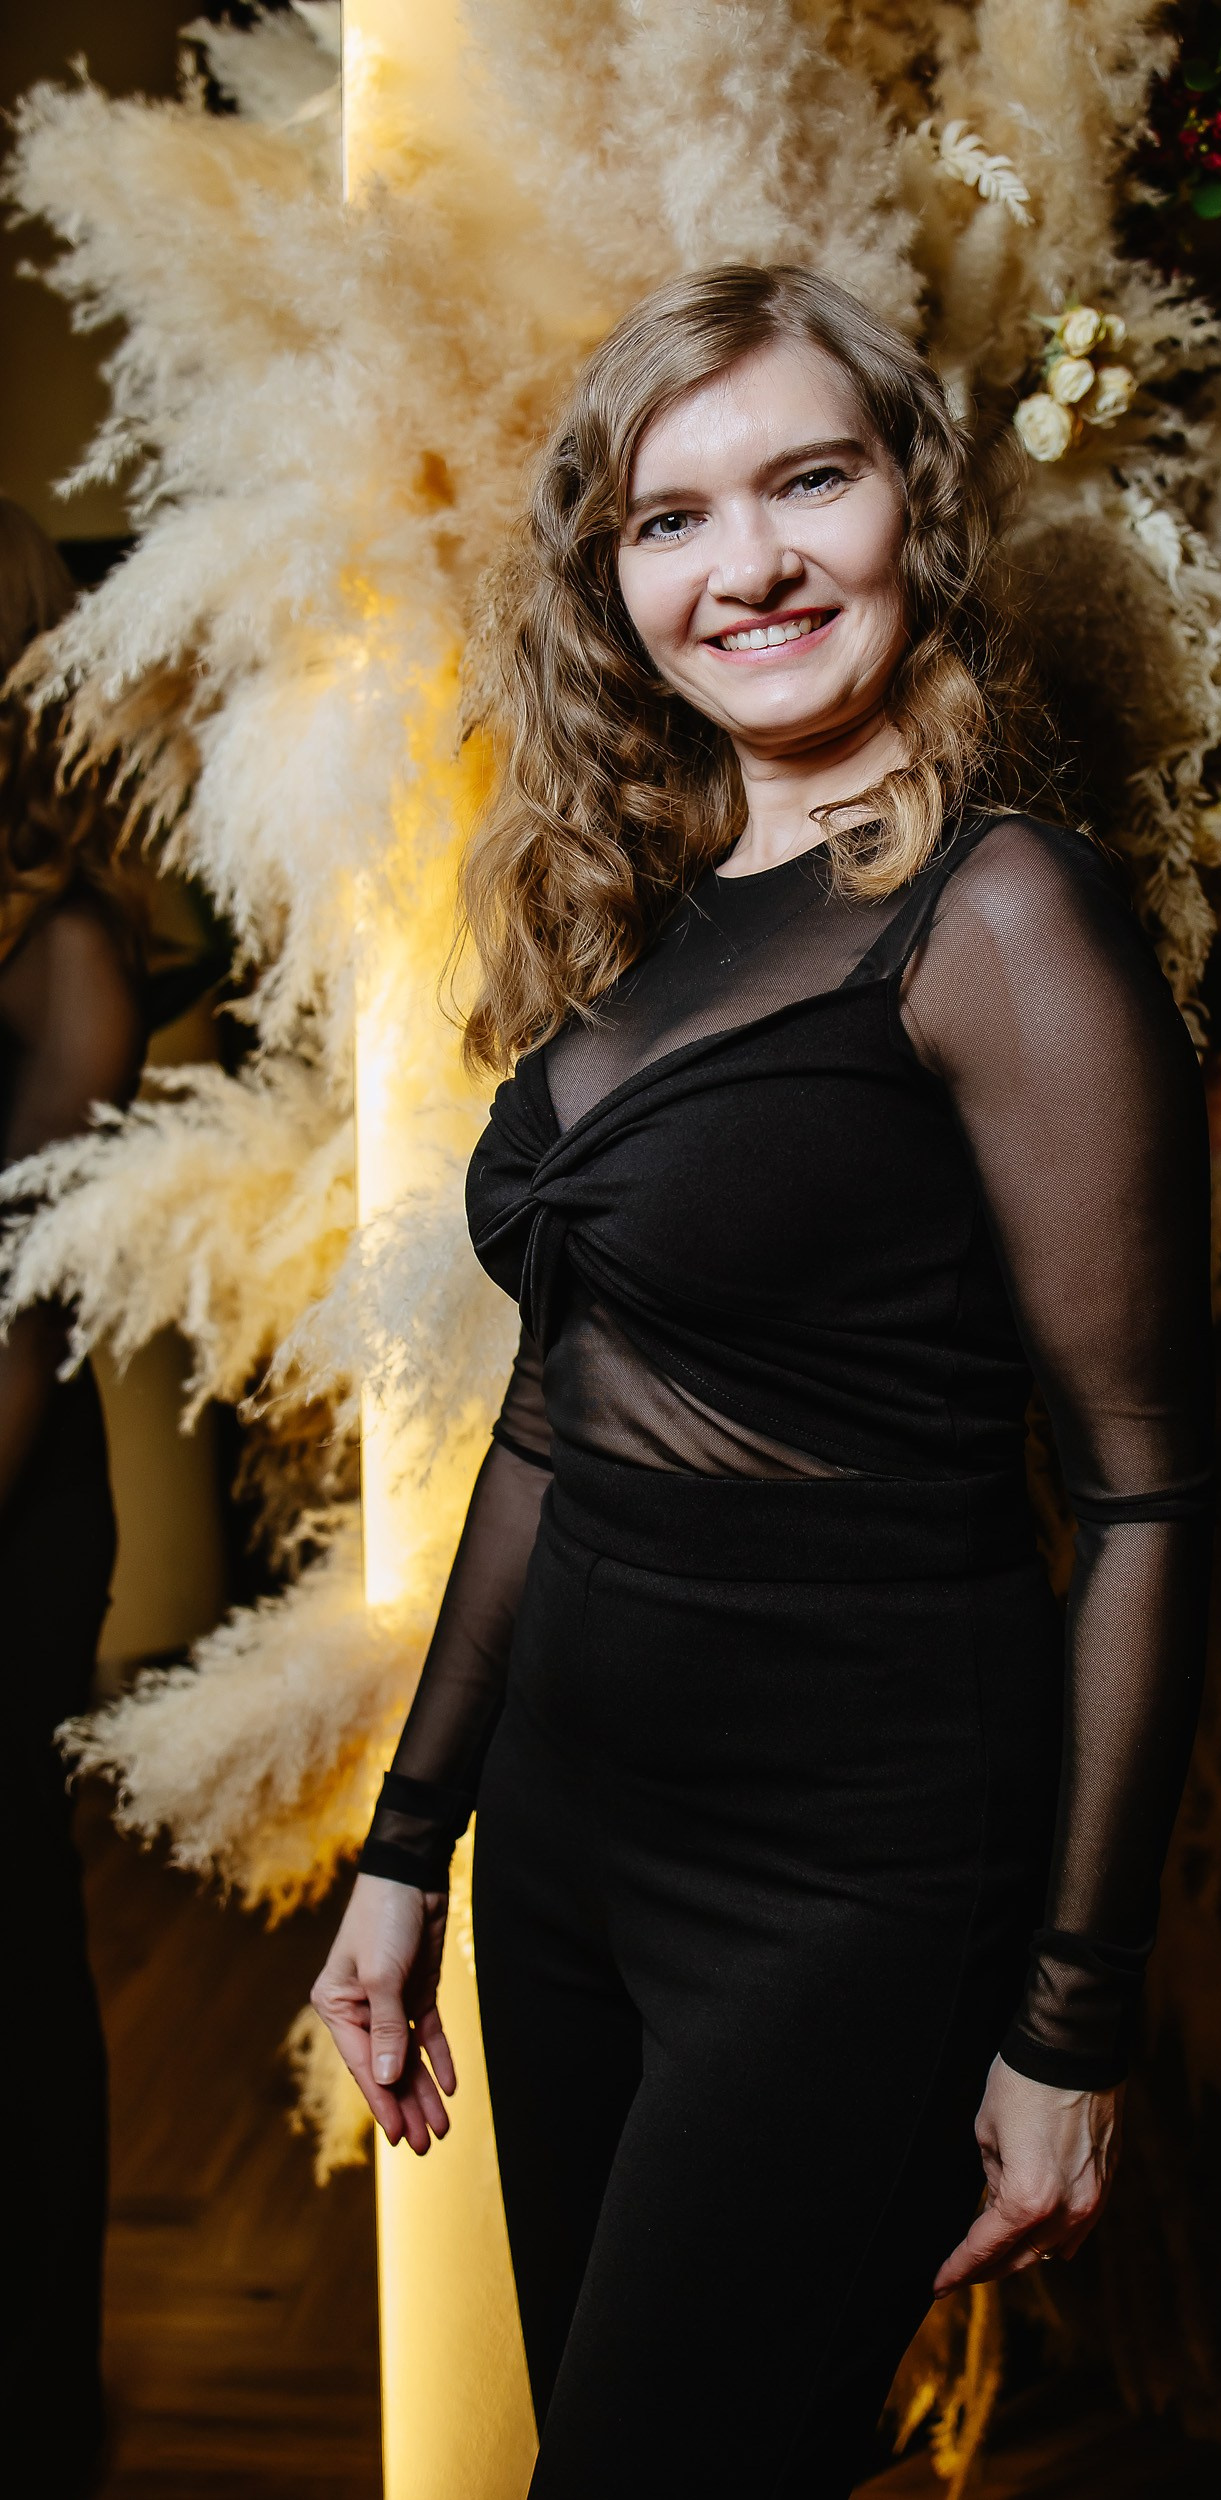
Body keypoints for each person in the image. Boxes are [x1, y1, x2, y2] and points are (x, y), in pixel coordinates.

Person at [312, 264, 1212, 2497]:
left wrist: (1073, 2015)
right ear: (616, 583)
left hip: (853, 1877)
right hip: (570, 1851)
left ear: (914, 502)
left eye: (809, 481)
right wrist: (411, 1848)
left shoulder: (1002, 916)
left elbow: (1144, 1493)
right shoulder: (649, 907)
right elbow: (561, 1414)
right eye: (672, 518)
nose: (752, 566)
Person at [0, 499, 146, 2492]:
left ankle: (35, 2409)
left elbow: (20, 1319)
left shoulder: (66, 945)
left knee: (9, 1954)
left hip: (7, 1500)